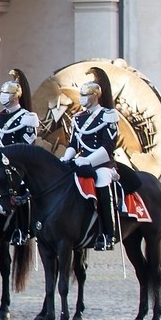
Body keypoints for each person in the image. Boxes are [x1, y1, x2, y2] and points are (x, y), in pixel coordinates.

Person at [64, 69, 121, 250]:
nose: (82, 98)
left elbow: (107, 147)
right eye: (81, 95)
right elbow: (74, 143)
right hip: (81, 161)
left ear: (95, 96)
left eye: (85, 95)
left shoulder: (108, 115)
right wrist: (65, 158)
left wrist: (88, 161)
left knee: (103, 181)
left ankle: (108, 234)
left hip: (102, 163)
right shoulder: (78, 118)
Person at [0, 68, 38, 154]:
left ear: (16, 96)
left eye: (7, 93)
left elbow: (26, 149)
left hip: (14, 163)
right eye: (2, 92)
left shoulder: (26, 119)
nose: (3, 95)